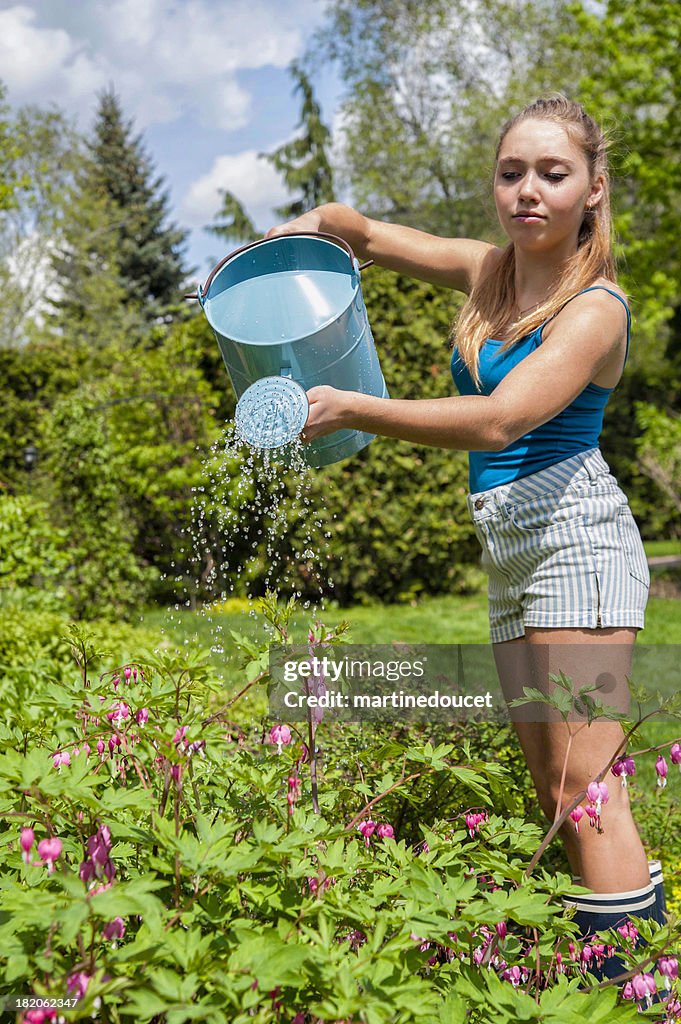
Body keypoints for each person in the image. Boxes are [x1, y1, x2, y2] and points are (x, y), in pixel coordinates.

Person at [264, 95, 664, 974]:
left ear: (591, 190)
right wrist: (285, 244)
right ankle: (609, 971)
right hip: (510, 553)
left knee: (587, 793)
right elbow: (356, 232)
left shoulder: (596, 308)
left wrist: (351, 409)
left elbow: (500, 421)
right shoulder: (486, 272)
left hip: (576, 541)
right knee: (554, 789)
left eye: (552, 175)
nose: (527, 191)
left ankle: (636, 988)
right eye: (510, 172)